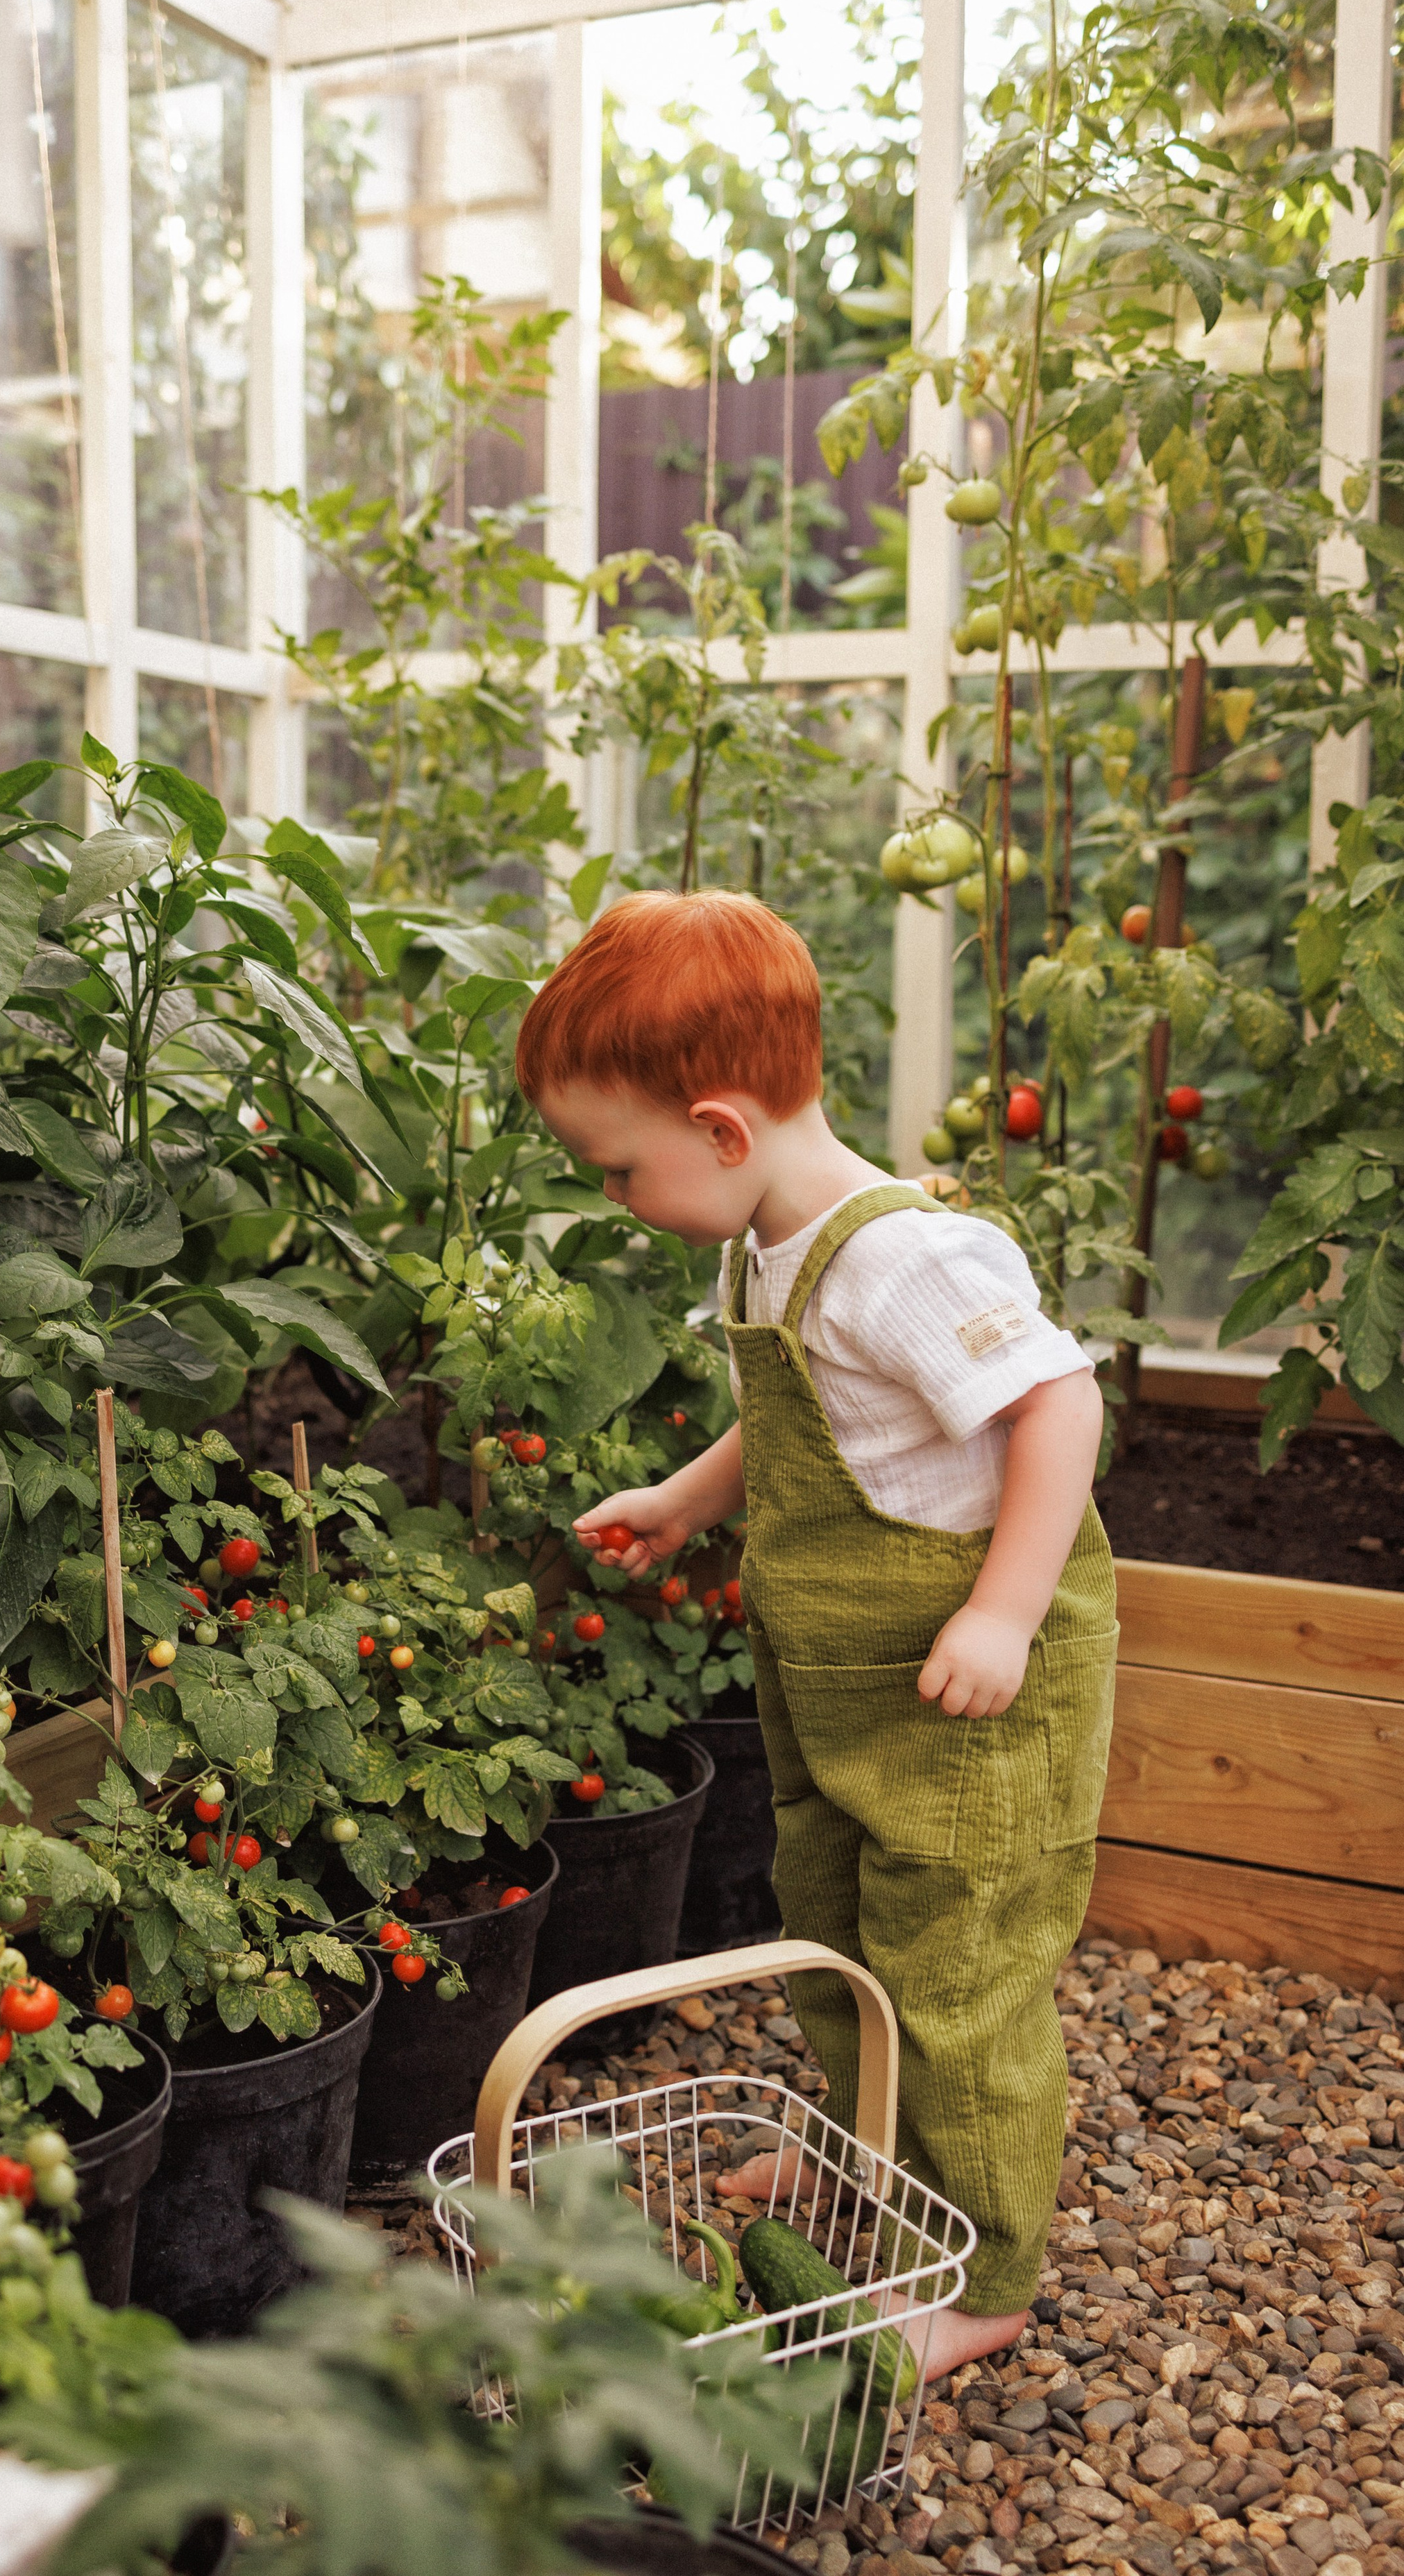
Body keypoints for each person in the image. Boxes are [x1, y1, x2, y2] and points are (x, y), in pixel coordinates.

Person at [514, 889, 1116, 2381]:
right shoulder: (763, 1247)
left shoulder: (906, 1257)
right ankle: (867, 2144)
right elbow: (800, 1410)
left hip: (969, 1694)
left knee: (959, 1964)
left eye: (618, 1167)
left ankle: (984, 2267)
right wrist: (681, 1495)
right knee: (831, 1921)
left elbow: (1058, 1402)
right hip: (843, 1684)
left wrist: (1003, 1607)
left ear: (718, 1129)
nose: (615, 1196)